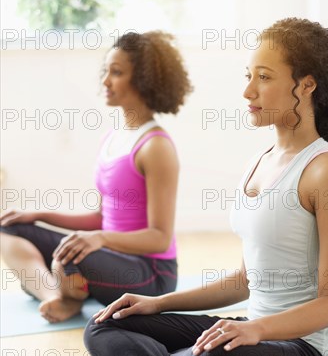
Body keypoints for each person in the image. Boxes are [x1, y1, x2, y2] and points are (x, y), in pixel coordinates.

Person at [83, 18, 328, 356]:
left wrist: (256, 330)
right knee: (107, 325)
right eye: (248, 76)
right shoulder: (263, 159)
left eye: (264, 78)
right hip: (253, 332)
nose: (248, 91)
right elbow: (247, 279)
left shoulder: (326, 172)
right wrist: (158, 304)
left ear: (306, 86)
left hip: (315, 355)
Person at [0, 31, 192, 323]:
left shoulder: (156, 147)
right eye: (106, 71)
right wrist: (38, 214)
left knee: (67, 258)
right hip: (107, 256)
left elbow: (159, 238)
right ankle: (57, 297)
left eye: (116, 73)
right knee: (10, 229)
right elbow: (101, 218)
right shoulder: (113, 138)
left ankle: (67, 291)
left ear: (144, 79)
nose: (105, 81)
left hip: (151, 274)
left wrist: (99, 239)